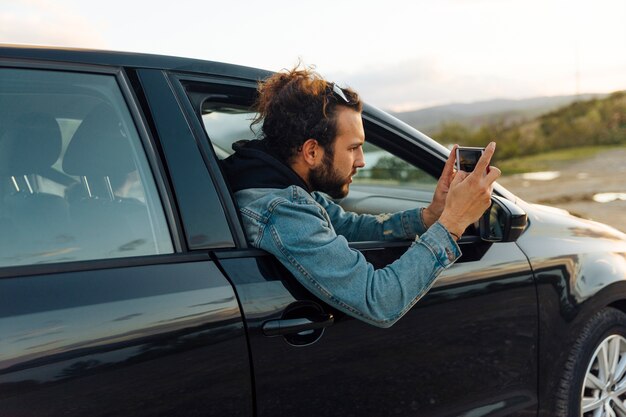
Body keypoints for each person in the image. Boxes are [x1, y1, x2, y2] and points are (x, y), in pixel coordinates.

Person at [222, 66, 500, 328]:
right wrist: (452, 224)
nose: (362, 161)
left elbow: (345, 227)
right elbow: (378, 300)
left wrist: (429, 217)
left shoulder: (279, 183)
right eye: (353, 148)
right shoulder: (280, 208)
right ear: (311, 152)